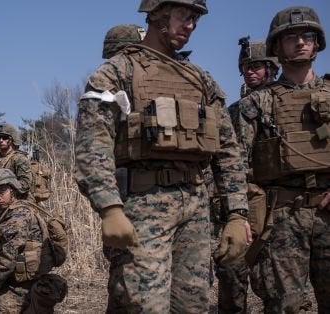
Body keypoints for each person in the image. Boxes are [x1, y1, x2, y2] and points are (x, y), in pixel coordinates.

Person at [74, 0, 250, 312]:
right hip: (142, 206)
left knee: (191, 306)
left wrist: (237, 214)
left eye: (196, 18)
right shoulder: (116, 73)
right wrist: (110, 208)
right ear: (157, 14)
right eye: (185, 15)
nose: (191, 25)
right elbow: (93, 147)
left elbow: (227, 151)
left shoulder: (201, 79)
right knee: (142, 305)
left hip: (195, 209)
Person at [235, 6, 330, 312]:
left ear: (317, 43)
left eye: (307, 36)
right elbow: (234, 164)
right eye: (291, 37)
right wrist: (242, 213)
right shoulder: (257, 104)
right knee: (284, 306)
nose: (300, 42)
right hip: (282, 217)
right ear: (277, 47)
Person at [212, 37, 279, 314]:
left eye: (258, 66)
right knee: (232, 268)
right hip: (246, 196)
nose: (251, 71)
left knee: (273, 276)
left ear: (271, 68)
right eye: (247, 67)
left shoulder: (282, 102)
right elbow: (230, 158)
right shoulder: (238, 109)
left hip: (279, 198)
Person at [0, 168, 66, 313]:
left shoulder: (19, 216)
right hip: (10, 281)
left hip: (24, 287)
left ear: (13, 190)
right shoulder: (4, 212)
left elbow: (6, 260)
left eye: (2, 192)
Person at [0, 123, 33, 228]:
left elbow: (26, 185)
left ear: (12, 139)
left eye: (4, 137)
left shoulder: (19, 159)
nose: (0, 140)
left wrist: (7, 187)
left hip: (15, 208)